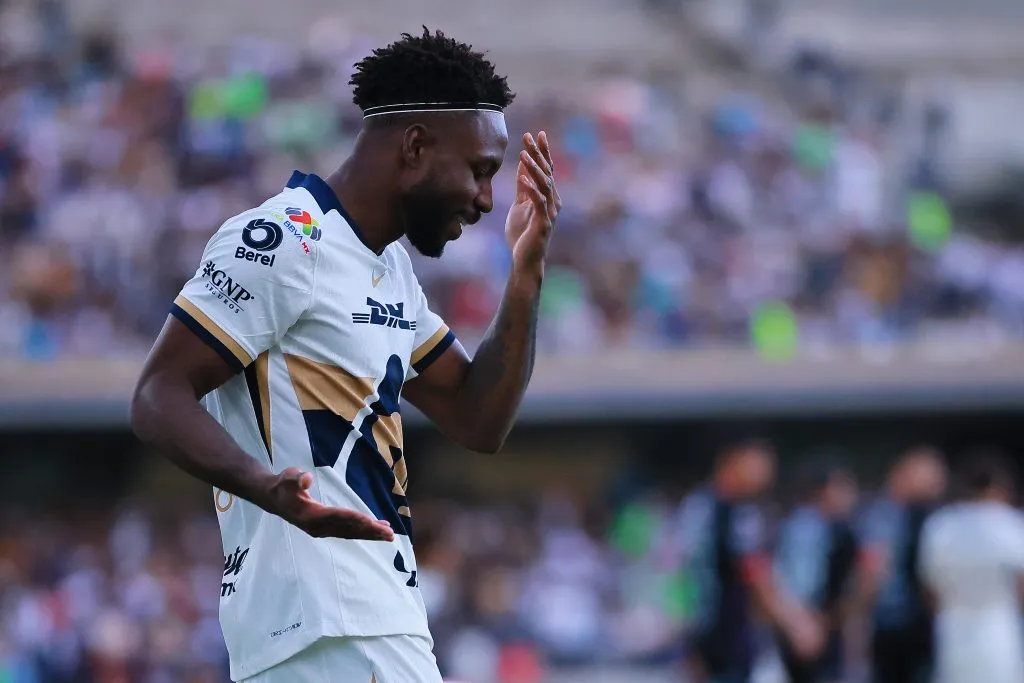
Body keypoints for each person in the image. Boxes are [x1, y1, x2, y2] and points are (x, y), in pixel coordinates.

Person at [129, 28, 561, 683]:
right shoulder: (282, 241)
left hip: (360, 618)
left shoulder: (388, 269)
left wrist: (525, 276)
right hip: (332, 621)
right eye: (479, 170)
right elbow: (158, 394)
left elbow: (479, 418)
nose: (483, 200)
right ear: (415, 146)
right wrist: (263, 483)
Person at [674, 438, 822, 683]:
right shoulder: (737, 512)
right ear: (734, 461)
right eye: (760, 462)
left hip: (703, 634)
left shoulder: (697, 504)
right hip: (725, 634)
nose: (767, 472)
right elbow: (755, 572)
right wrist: (796, 622)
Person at [920, 451, 1024, 683]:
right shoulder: (1012, 524)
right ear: (998, 487)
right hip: (999, 625)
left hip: (952, 626)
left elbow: (929, 586)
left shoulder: (940, 525)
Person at [859, 445, 946, 683]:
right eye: (928, 474)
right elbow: (871, 570)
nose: (937, 482)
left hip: (931, 623)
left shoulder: (939, 517)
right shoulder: (882, 516)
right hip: (891, 621)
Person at [773, 463, 860, 683]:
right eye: (842, 487)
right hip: (808, 629)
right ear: (821, 491)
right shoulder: (806, 527)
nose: (850, 495)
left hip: (822, 628)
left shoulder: (837, 527)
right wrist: (803, 623)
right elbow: (800, 584)